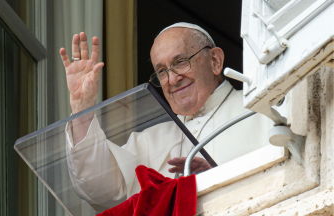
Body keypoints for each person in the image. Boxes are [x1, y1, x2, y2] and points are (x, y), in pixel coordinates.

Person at [60, 22, 271, 212]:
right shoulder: (150, 140)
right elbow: (99, 189)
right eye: (161, 71)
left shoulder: (262, 110)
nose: (172, 79)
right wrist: (82, 105)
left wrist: (220, 178)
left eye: (180, 62)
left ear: (215, 61)